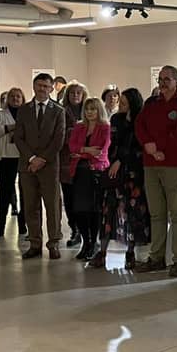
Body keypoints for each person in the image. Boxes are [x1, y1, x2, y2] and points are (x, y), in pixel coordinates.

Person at [135, 65, 177, 277]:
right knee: (156, 214)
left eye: (167, 79)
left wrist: (158, 147)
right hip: (151, 165)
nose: (162, 83)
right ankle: (156, 258)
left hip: (175, 166)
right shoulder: (151, 103)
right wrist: (148, 145)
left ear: (176, 81)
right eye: (160, 79)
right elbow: (139, 126)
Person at [14, 73, 66, 259]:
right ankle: (35, 243)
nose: (42, 89)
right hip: (27, 166)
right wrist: (31, 158)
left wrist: (42, 159)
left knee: (53, 207)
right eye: (39, 85)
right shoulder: (23, 110)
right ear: (33, 87)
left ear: (51, 88)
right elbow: (18, 137)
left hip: (49, 166)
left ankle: (53, 243)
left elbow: (59, 139)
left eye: (46, 86)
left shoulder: (58, 111)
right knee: (30, 206)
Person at [95, 88, 149, 269]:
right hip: (115, 173)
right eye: (121, 103)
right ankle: (102, 252)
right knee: (108, 211)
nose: (121, 106)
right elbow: (112, 143)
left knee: (133, 214)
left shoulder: (141, 120)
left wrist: (122, 160)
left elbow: (138, 147)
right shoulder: (116, 119)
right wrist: (113, 160)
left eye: (124, 103)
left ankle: (130, 253)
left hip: (133, 173)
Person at [68, 97, 111, 262]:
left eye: (93, 109)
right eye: (87, 109)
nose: (89, 112)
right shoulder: (79, 126)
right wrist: (87, 150)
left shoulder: (105, 127)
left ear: (99, 110)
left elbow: (101, 151)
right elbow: (72, 147)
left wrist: (81, 152)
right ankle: (85, 242)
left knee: (94, 210)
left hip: (96, 172)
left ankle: (94, 243)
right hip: (79, 172)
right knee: (79, 209)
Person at [0, 87, 26, 238]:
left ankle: (23, 225)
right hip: (6, 157)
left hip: (24, 157)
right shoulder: (0, 114)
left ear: (22, 99)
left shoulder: (27, 114)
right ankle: (1, 226)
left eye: (18, 96)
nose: (15, 99)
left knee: (25, 193)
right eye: (12, 96)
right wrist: (12, 127)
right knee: (5, 192)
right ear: (7, 99)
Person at [60, 83, 88, 249]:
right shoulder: (61, 112)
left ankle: (87, 232)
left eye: (79, 93)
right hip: (67, 161)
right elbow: (59, 135)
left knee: (84, 199)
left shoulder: (89, 111)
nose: (76, 95)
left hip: (85, 162)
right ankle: (74, 230)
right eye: (72, 93)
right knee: (69, 199)